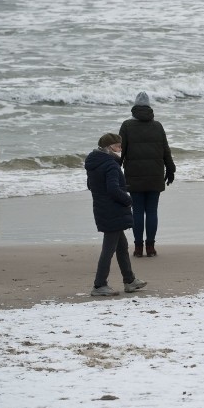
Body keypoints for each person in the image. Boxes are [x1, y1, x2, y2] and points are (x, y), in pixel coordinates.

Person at [84, 133, 147, 297]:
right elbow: (112, 189)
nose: (120, 149)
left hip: (102, 208)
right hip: (113, 210)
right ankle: (99, 285)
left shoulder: (94, 164)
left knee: (122, 247)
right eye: (118, 146)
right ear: (109, 147)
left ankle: (130, 280)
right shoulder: (111, 165)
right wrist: (128, 200)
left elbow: (91, 185)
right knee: (108, 250)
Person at [119, 92, 176, 258]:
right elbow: (166, 150)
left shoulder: (127, 126)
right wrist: (170, 169)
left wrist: (115, 171)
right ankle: (150, 248)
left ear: (134, 108)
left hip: (134, 176)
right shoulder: (157, 126)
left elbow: (119, 152)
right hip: (155, 175)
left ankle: (138, 248)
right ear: (149, 108)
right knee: (152, 211)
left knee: (137, 211)